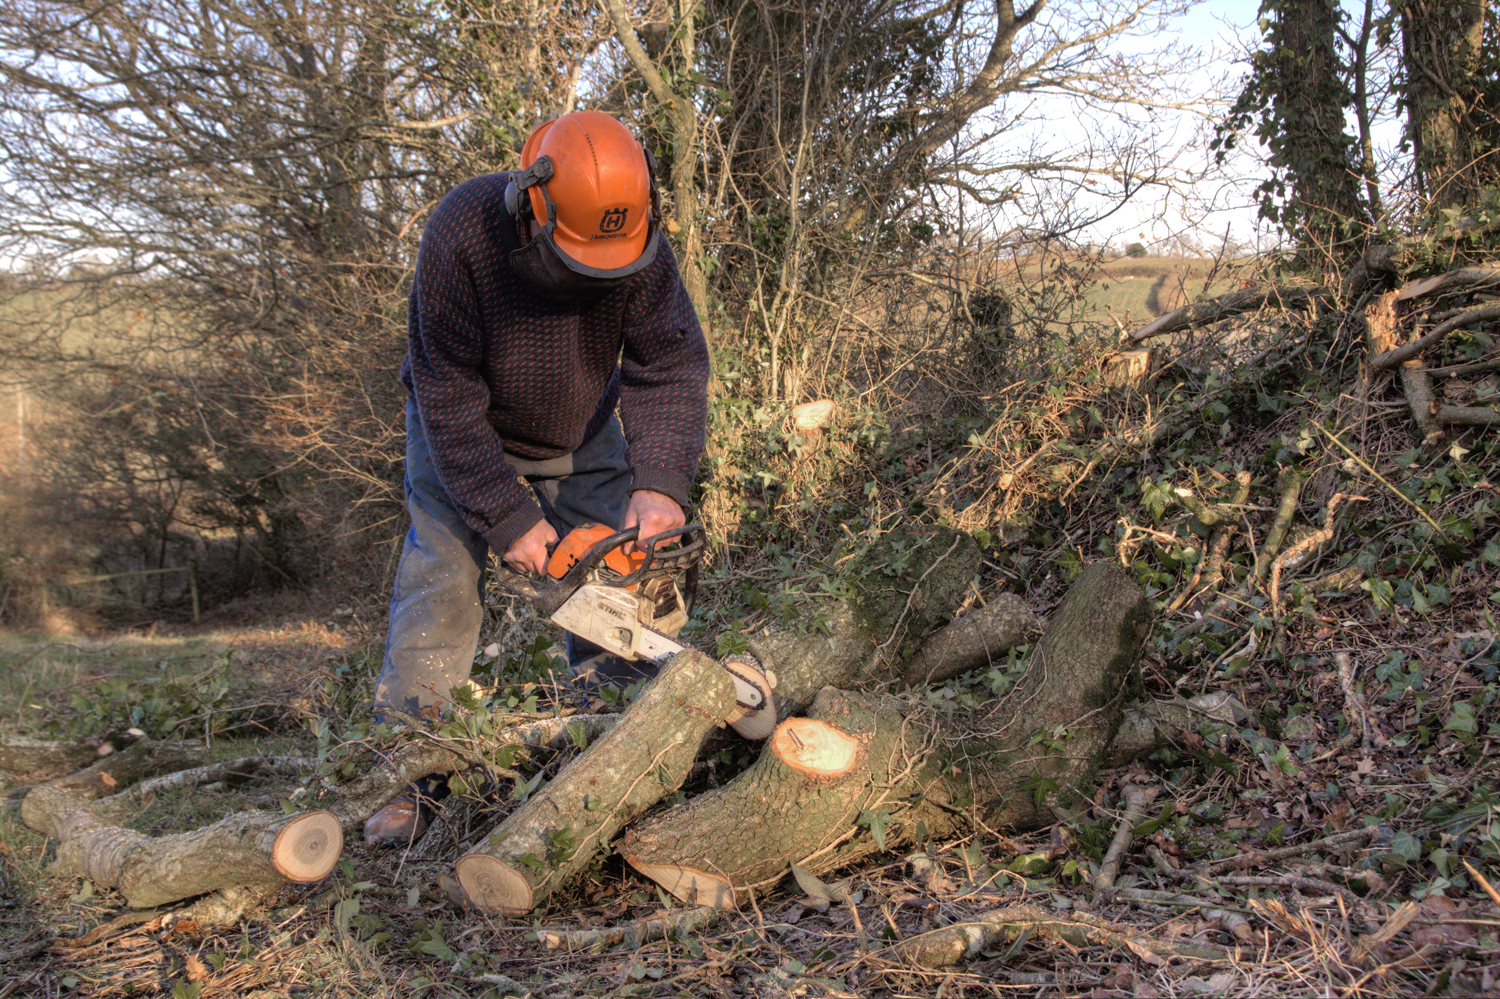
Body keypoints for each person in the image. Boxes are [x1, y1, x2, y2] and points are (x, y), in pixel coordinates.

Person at [364, 110, 710, 846]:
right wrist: (507, 516)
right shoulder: (462, 236)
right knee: (442, 583)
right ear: (532, 204)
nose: (597, 276)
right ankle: (407, 771)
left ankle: (618, 740)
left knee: (621, 583)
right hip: (460, 428)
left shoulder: (640, 244)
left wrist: (659, 483)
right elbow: (447, 395)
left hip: (582, 429)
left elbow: (671, 362)